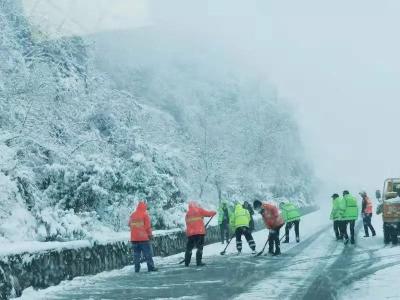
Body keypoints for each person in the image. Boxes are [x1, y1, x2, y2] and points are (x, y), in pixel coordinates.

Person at [184, 201, 216, 267]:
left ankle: (187, 262)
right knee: (199, 248)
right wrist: (214, 212)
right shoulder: (199, 210)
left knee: (189, 248)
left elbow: (187, 223)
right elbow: (208, 213)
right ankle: (198, 262)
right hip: (199, 233)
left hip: (190, 234)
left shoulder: (187, 214)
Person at [128, 201, 157, 273]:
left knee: (136, 255)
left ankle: (136, 269)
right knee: (148, 254)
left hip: (134, 239)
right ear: (144, 207)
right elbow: (147, 227)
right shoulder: (145, 215)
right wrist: (150, 235)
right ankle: (151, 268)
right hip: (143, 238)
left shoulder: (132, 215)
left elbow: (129, 224)